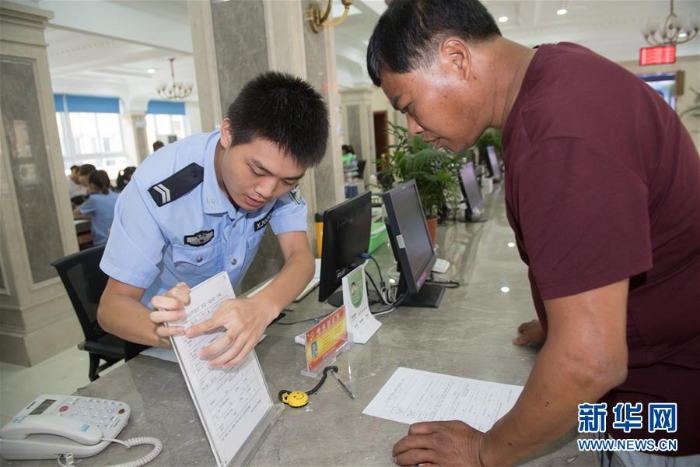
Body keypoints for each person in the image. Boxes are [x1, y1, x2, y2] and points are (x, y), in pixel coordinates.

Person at [367, 1, 700, 466]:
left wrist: (484, 451)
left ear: (456, 58)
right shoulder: (560, 75)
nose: (414, 128)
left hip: (665, 414)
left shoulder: (559, 136)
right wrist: (566, 316)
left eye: (408, 105)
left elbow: (591, 362)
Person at [98, 71, 329, 369]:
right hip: (155, 339)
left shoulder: (277, 176)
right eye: (257, 171)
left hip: (226, 331)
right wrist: (183, 334)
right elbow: (111, 308)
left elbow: (301, 257)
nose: (267, 191)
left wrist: (262, 307)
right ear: (228, 133)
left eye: (287, 181)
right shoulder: (158, 187)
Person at [73, 170, 118, 246]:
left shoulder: (94, 199)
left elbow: (75, 213)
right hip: (117, 241)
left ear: (91, 185)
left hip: (101, 244)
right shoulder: (117, 196)